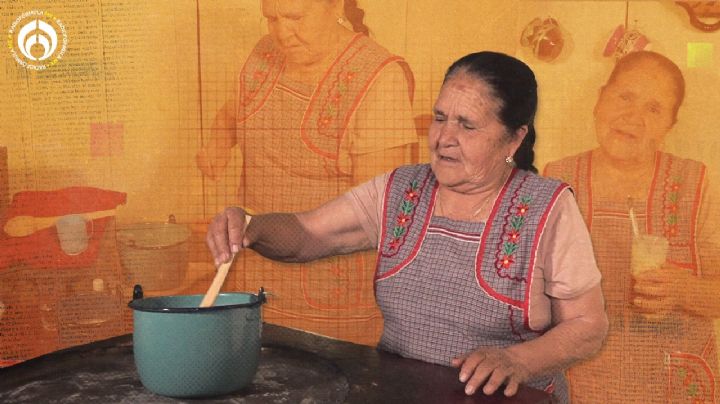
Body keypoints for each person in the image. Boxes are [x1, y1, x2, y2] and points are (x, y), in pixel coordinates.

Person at [206, 51, 608, 402]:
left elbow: (588, 325)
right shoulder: (402, 189)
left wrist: (517, 360)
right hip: (402, 393)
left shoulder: (548, 206)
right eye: (439, 118)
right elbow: (308, 234)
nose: (443, 138)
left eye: (467, 125)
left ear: (513, 139)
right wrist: (250, 226)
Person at [197, 0, 418, 344]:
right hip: (254, 279)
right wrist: (218, 143)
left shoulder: (379, 79)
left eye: (295, 17)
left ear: (336, 5)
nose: (282, 32)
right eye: (271, 18)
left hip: (330, 304)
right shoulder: (266, 53)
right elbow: (234, 111)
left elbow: (378, 212)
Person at [544, 50, 720, 403]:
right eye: (625, 96)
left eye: (654, 109)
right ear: (599, 100)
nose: (633, 117)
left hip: (674, 386)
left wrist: (684, 290)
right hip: (579, 382)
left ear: (669, 125)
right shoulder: (556, 178)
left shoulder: (698, 184)